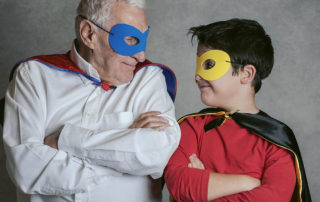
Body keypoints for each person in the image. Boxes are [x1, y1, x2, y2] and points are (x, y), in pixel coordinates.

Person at [2, 0, 181, 201]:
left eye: (143, 39)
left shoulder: (148, 79)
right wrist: (121, 156)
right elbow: (26, 168)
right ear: (89, 34)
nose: (140, 55)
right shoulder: (32, 76)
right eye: (130, 39)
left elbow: (155, 153)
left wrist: (66, 139)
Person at [164, 18, 311, 202]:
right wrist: (248, 183)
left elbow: (273, 198)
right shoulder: (192, 127)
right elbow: (179, 184)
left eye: (209, 65)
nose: (197, 75)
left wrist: (203, 188)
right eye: (198, 64)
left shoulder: (276, 140)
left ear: (246, 74)